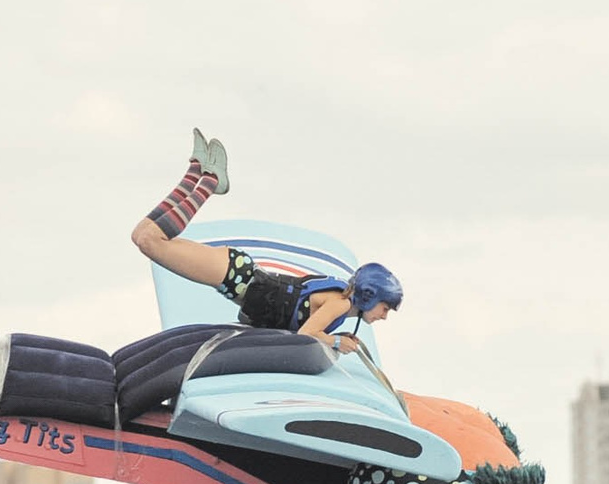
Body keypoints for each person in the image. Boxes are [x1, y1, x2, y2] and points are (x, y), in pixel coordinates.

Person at [129, 130, 404, 351]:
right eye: (385, 308)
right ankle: (210, 181)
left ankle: (196, 171)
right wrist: (336, 341)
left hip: (236, 273)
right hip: (235, 276)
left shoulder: (341, 303)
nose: (384, 316)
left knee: (142, 235)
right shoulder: (341, 304)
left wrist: (337, 334)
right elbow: (308, 334)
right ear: (371, 297)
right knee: (151, 241)